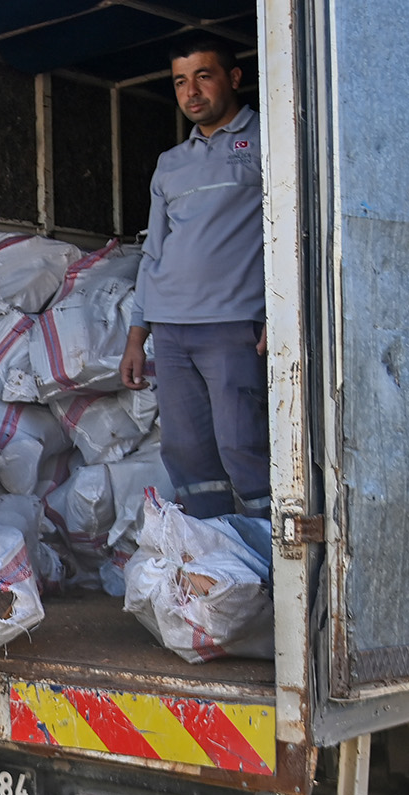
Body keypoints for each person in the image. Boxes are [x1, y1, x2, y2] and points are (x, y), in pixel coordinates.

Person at [118, 35, 268, 520]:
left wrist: (285, 314)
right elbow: (153, 252)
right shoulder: (170, 164)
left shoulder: (270, 141)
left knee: (243, 447)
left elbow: (297, 231)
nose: (191, 92)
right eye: (181, 81)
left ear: (234, 78)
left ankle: (273, 570)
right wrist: (137, 336)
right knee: (186, 453)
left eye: (203, 76)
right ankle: (217, 565)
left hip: (233, 325)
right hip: (171, 330)